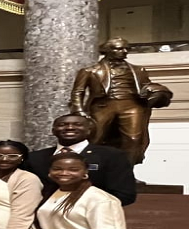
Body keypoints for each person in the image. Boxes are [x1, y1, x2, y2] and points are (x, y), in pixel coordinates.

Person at [69, 37, 172, 166]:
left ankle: (125, 173)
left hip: (132, 105)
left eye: (126, 48)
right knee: (94, 138)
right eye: (119, 48)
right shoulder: (90, 71)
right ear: (107, 50)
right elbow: (78, 91)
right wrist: (79, 110)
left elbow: (145, 86)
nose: (124, 51)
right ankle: (88, 169)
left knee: (134, 139)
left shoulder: (139, 70)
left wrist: (158, 92)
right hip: (103, 106)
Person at [24, 114, 136, 206]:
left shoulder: (111, 155)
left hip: (91, 218)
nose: (69, 127)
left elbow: (124, 194)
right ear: (53, 131)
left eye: (77, 125)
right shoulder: (34, 157)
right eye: (62, 125)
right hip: (42, 217)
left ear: (88, 130)